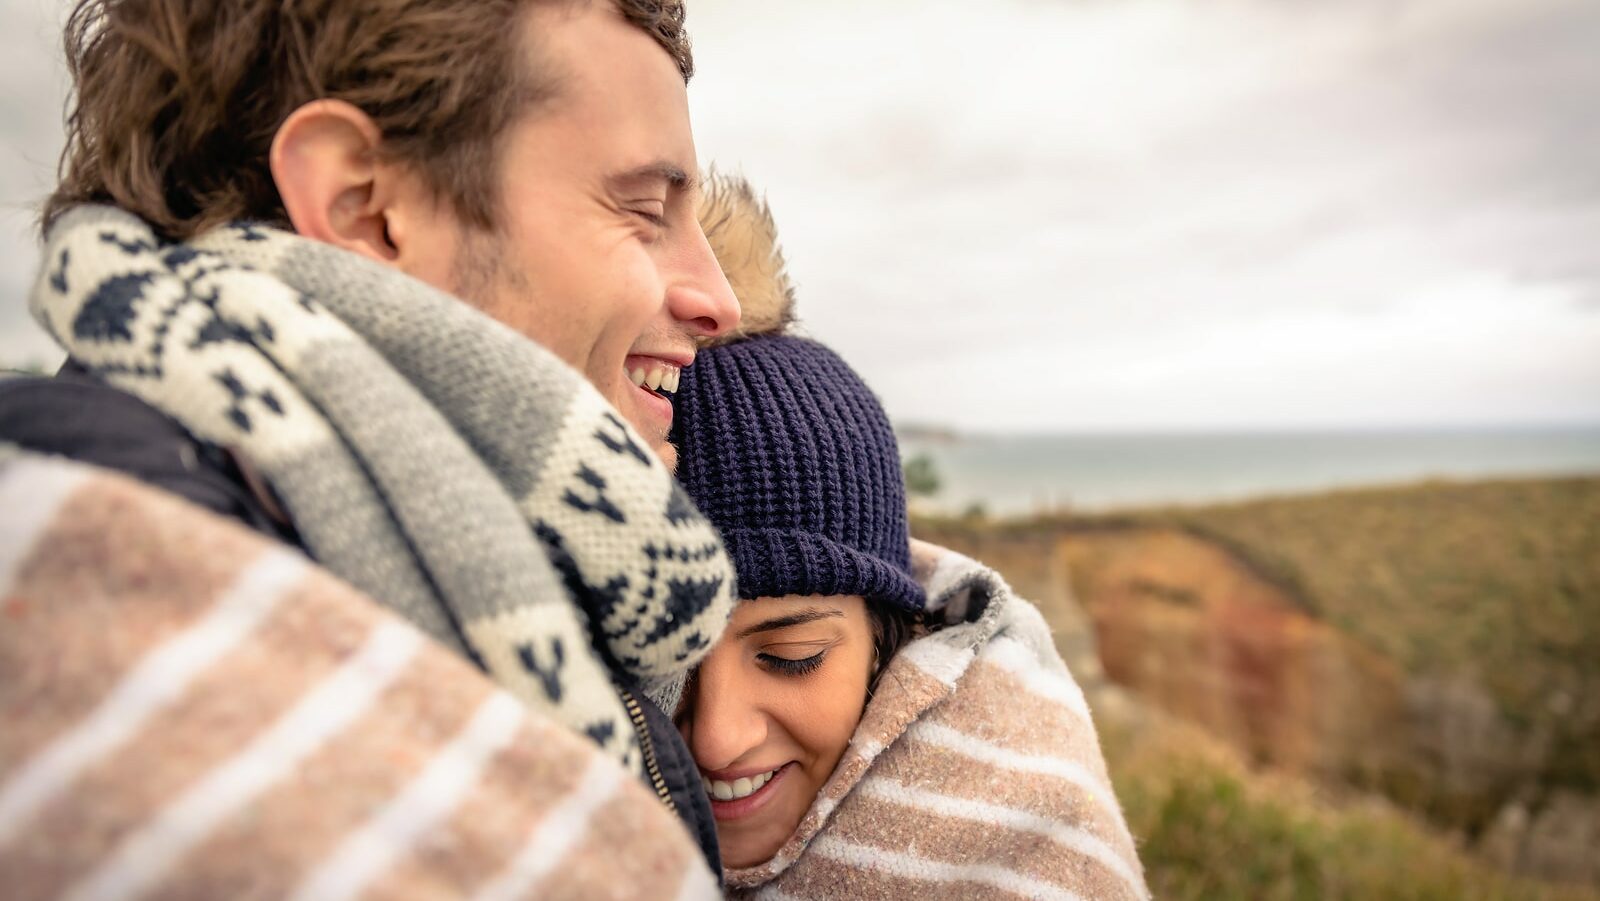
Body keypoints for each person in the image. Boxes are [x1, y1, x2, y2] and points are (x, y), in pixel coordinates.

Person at [0, 0, 744, 894]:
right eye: (642, 208)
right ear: (366, 208)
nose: (717, 298)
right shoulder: (92, 602)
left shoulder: (504, 573)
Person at [669, 197, 1151, 897]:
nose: (716, 737)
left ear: (888, 636)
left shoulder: (1025, 857)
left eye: (788, 656)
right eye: (657, 662)